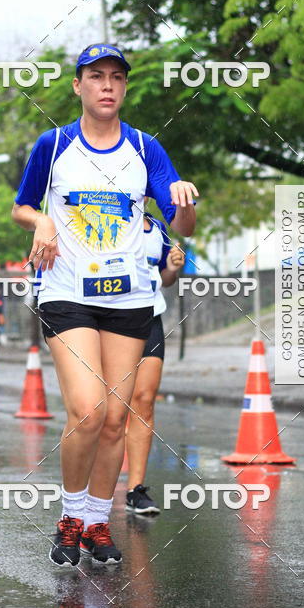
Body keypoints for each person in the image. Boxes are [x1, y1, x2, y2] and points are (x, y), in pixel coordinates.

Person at [12, 42, 197, 567]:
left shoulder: (145, 147)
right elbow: (21, 206)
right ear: (78, 86)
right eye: (97, 77)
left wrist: (184, 204)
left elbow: (179, 225)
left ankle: (97, 522)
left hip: (130, 297)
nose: (108, 85)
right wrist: (42, 221)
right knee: (88, 410)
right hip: (67, 291)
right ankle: (70, 514)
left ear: (124, 87)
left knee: (116, 418)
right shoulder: (54, 145)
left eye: (117, 77)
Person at [125, 210, 184, 514]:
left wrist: (172, 268)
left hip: (149, 317)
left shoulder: (157, 228)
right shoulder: (103, 214)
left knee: (144, 400)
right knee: (106, 405)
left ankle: (135, 489)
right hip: (111, 316)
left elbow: (164, 280)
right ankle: (93, 488)